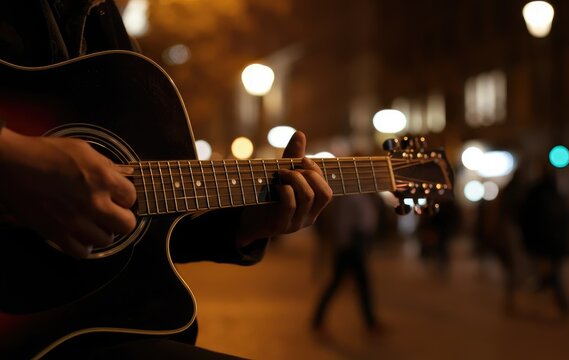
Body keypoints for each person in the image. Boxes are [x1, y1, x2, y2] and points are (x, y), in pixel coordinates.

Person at [0, 1, 332, 358]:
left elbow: (138, 223)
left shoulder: (105, 26)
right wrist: (14, 162)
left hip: (64, 329)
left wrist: (245, 224)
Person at [311, 193, 383, 333]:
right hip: (350, 246)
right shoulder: (349, 197)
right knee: (359, 284)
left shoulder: (359, 197)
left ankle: (318, 320)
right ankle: (371, 323)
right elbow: (343, 222)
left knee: (341, 283)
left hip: (355, 244)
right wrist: (344, 244)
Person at [518, 171, 569, 317]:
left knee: (548, 275)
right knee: (550, 274)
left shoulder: (535, 197)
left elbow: (525, 220)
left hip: (542, 245)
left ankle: (550, 299)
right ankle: (555, 301)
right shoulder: (556, 197)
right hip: (554, 245)